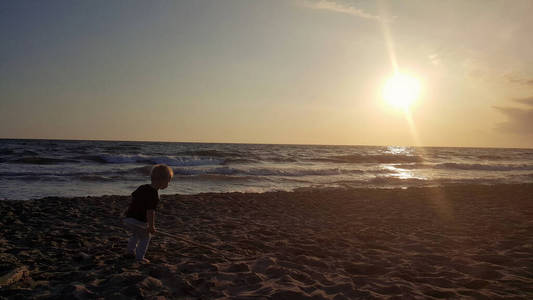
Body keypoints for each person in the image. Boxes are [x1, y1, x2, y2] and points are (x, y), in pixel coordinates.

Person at [122, 164, 173, 263]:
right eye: (168, 181)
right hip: (138, 220)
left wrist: (127, 211)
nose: (168, 184)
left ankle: (129, 252)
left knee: (136, 234)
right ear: (162, 180)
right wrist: (151, 226)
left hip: (129, 218)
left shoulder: (142, 187)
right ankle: (139, 258)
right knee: (146, 236)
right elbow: (150, 212)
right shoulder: (154, 195)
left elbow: (133, 198)